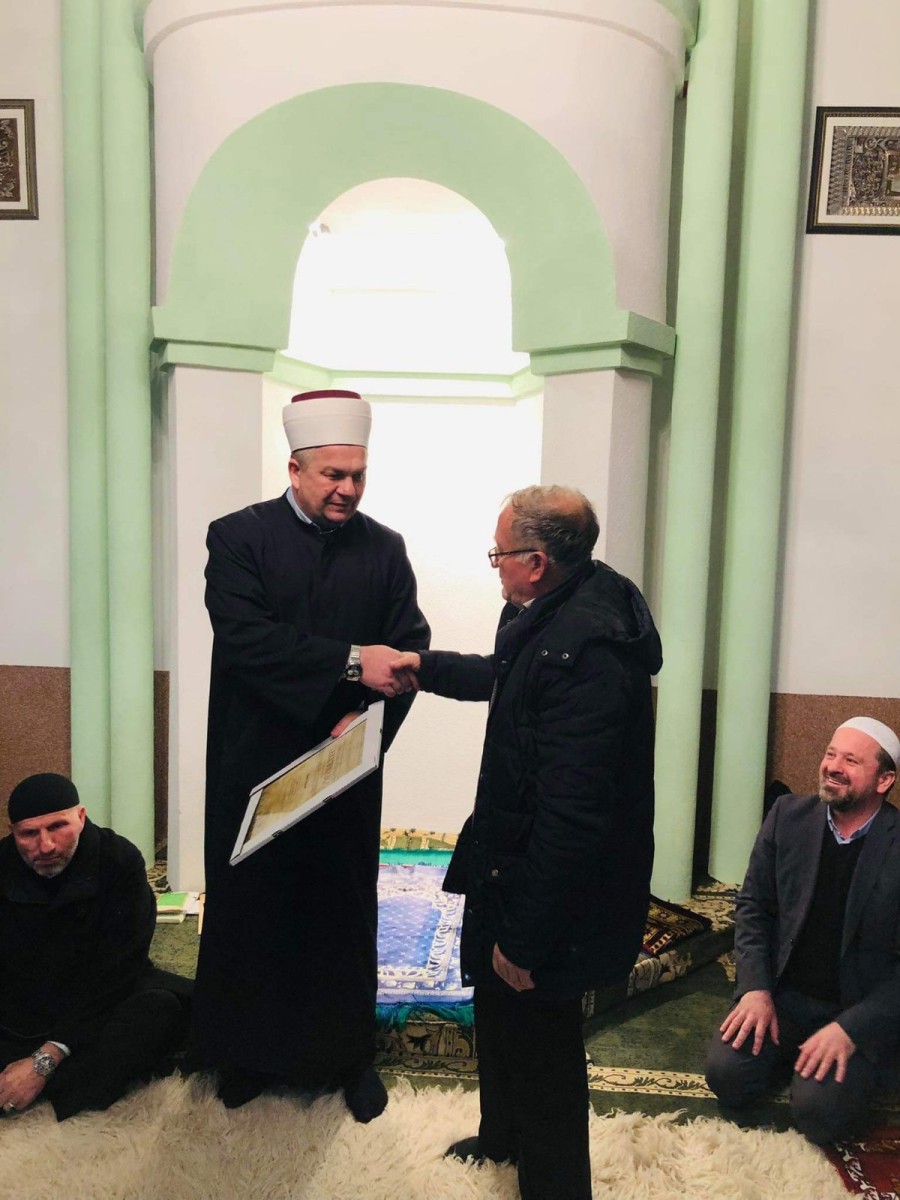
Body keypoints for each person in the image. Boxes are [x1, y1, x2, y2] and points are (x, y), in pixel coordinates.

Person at [389, 485, 661, 1200]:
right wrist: (421, 666)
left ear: (537, 562)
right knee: (496, 1006)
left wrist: (528, 938)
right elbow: (504, 675)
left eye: (499, 554)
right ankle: (502, 1137)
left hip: (551, 888)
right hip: (507, 860)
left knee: (542, 1046)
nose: (495, 565)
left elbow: (573, 819)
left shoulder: (592, 654)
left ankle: (555, 1186)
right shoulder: (550, 608)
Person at [191, 389, 430, 1121]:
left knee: (340, 912)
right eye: (333, 475)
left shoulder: (384, 548)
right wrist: (354, 662)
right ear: (294, 469)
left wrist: (365, 727)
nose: (348, 489)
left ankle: (346, 1056)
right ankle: (247, 1054)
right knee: (254, 909)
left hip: (343, 765)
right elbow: (246, 639)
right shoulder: (238, 537)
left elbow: (409, 650)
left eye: (359, 475)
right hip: (255, 761)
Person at [706, 716, 900, 1144]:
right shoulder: (788, 816)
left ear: (884, 780)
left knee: (819, 1113)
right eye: (831, 754)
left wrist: (853, 1029)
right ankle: (793, 1054)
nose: (833, 767)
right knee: (726, 1075)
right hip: (784, 997)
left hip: (855, 1008)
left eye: (851, 761)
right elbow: (754, 908)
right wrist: (755, 989)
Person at [0, 772, 191, 1121]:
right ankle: (68, 1085)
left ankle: (42, 1082)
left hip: (100, 1000)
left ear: (81, 816)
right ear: (13, 832)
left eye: (58, 827)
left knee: (163, 1010)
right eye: (29, 834)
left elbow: (121, 969)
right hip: (23, 1009)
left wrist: (45, 1060)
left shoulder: (120, 861)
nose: (46, 846)